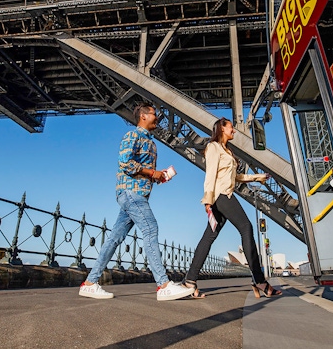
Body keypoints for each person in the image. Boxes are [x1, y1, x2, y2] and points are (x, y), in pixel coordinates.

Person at [79, 103, 194, 301]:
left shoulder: (151, 142)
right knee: (150, 228)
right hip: (130, 193)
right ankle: (163, 285)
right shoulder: (133, 135)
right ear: (143, 116)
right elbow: (124, 162)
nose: (157, 118)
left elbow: (141, 170)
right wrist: (152, 172)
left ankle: (90, 283)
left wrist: (157, 177)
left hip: (137, 194)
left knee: (115, 237)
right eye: (154, 114)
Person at [182, 117, 282, 299]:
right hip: (221, 196)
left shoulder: (226, 150)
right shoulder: (213, 147)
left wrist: (257, 177)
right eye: (231, 128)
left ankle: (190, 281)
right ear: (222, 129)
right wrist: (208, 200)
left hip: (224, 194)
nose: (234, 131)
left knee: (209, 236)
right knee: (246, 227)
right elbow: (210, 173)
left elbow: (235, 177)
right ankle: (259, 280)